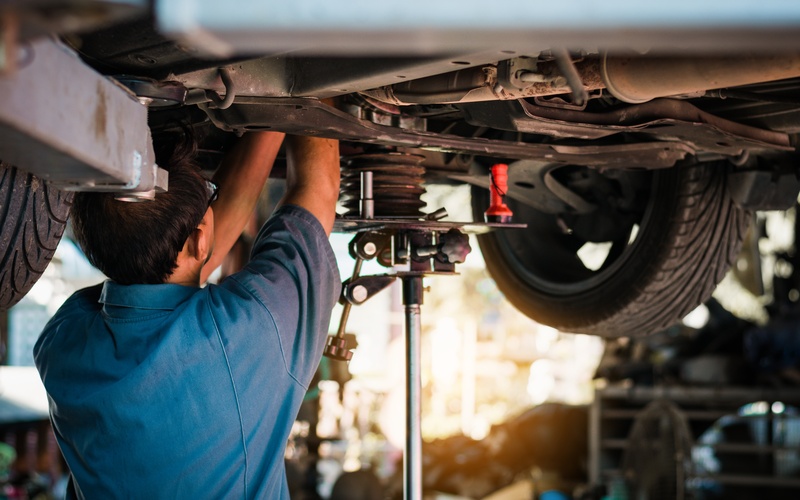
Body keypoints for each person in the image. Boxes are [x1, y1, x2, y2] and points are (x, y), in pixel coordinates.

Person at [33, 132, 342, 499]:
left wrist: (281, 114)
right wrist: (289, 93)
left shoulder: (62, 346)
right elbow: (181, 263)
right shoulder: (62, 341)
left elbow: (316, 192)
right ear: (199, 239)